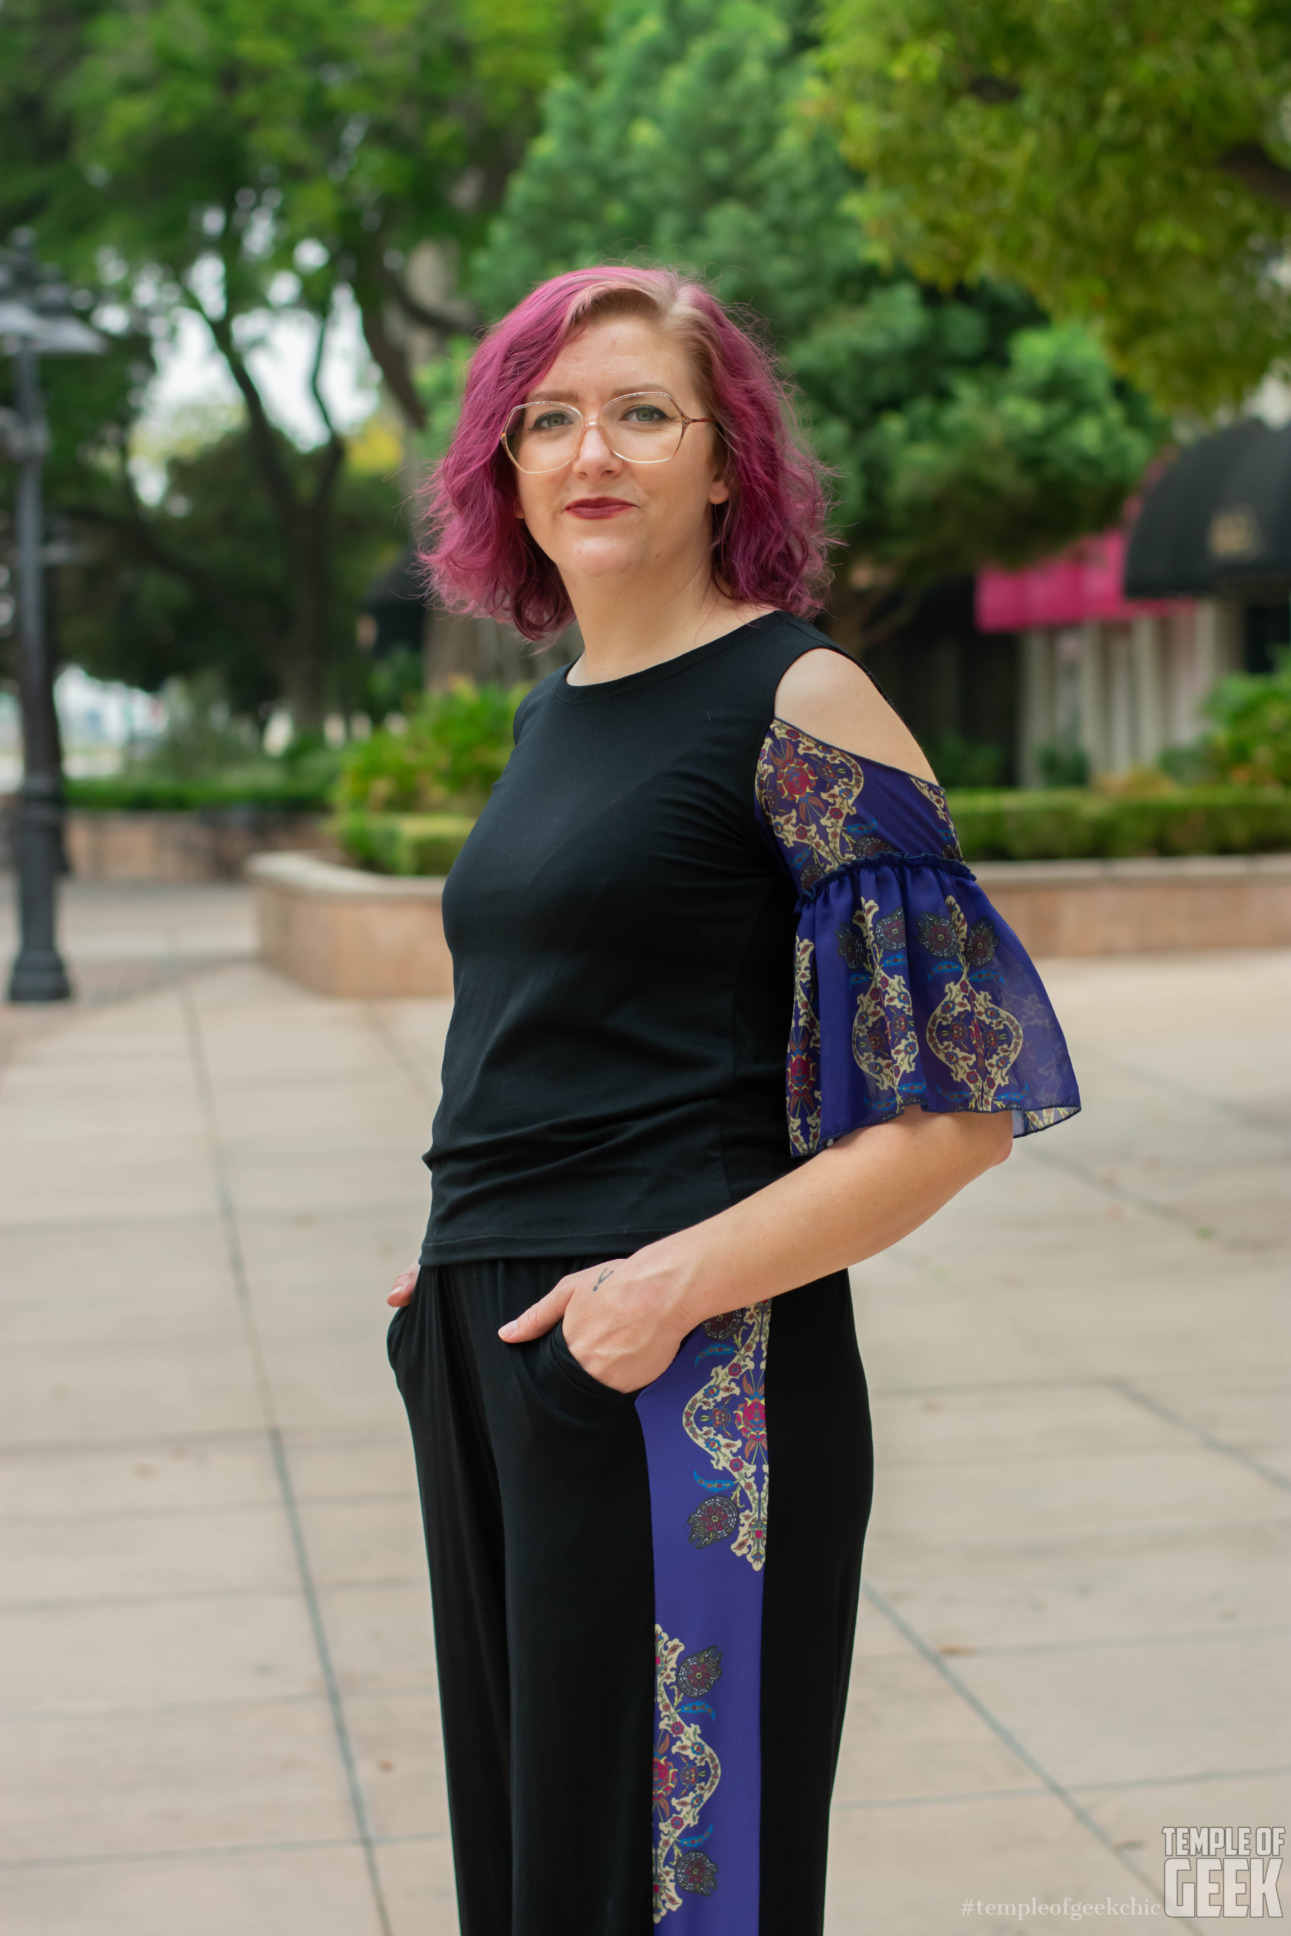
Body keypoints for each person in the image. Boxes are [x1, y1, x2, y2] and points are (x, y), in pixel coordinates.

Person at [384, 265, 1080, 1936]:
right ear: (504, 469)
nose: (588, 450)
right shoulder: (550, 719)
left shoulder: (798, 700)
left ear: (724, 463)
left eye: (641, 411)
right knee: (545, 1873)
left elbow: (958, 1113)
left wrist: (660, 1291)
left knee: (684, 1895)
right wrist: (450, 1269)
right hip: (502, 1358)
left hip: (689, 1375)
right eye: (546, 419)